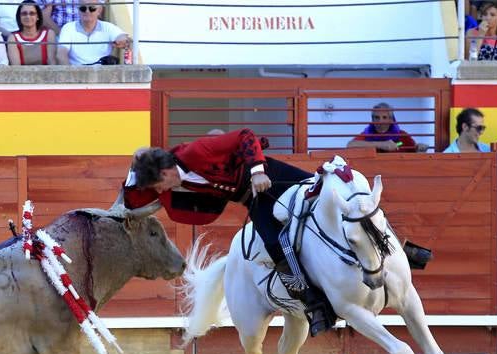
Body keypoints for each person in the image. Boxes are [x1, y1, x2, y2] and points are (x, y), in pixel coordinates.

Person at [121, 128, 336, 336]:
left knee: (323, 194)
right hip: (253, 200)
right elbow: (132, 202)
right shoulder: (168, 182)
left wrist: (258, 171)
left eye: (159, 185)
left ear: (165, 172)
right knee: (273, 245)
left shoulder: (195, 152)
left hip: (272, 175)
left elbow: (245, 135)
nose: (159, 191)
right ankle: (315, 304)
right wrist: (134, 166)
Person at [57, 0, 129, 65]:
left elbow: (122, 37)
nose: (87, 11)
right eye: (83, 8)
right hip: (77, 74)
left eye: (92, 8)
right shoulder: (68, 28)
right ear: (78, 10)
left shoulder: (108, 27)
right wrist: (71, 74)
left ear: (99, 11)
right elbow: (61, 54)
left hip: (102, 74)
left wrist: (121, 39)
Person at [347, 103, 429, 153]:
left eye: (384, 117)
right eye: (377, 117)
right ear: (372, 119)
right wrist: (381, 144)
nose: (380, 121)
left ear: (391, 119)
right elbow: (351, 145)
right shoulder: (367, 134)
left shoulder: (402, 135)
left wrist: (420, 148)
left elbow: (415, 152)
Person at [7, 0, 57, 65]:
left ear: (38, 16)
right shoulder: (13, 38)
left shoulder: (49, 34)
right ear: (19, 17)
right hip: (21, 74)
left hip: (47, 74)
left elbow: (52, 64)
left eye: (32, 13)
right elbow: (16, 68)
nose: (28, 17)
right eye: (24, 13)